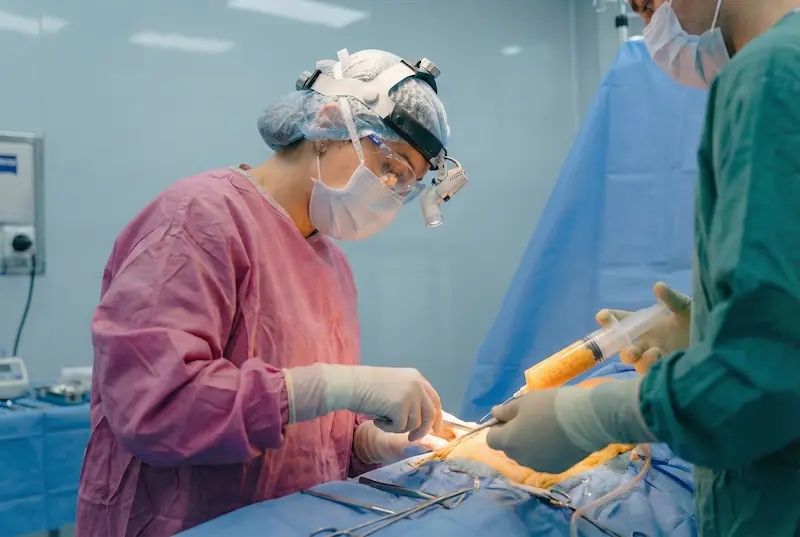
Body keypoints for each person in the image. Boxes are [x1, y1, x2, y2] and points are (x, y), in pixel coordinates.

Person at [75, 48, 466, 537]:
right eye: (390, 164)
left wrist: (365, 445)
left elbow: (302, 427)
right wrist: (330, 385)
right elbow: (154, 407)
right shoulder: (197, 219)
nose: (390, 189)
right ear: (328, 120)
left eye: (406, 183)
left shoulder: (331, 264)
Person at [486, 1, 800, 535]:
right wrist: (712, 326)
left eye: (647, 5)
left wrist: (590, 416)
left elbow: (766, 377)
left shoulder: (772, 74)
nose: (649, 24)